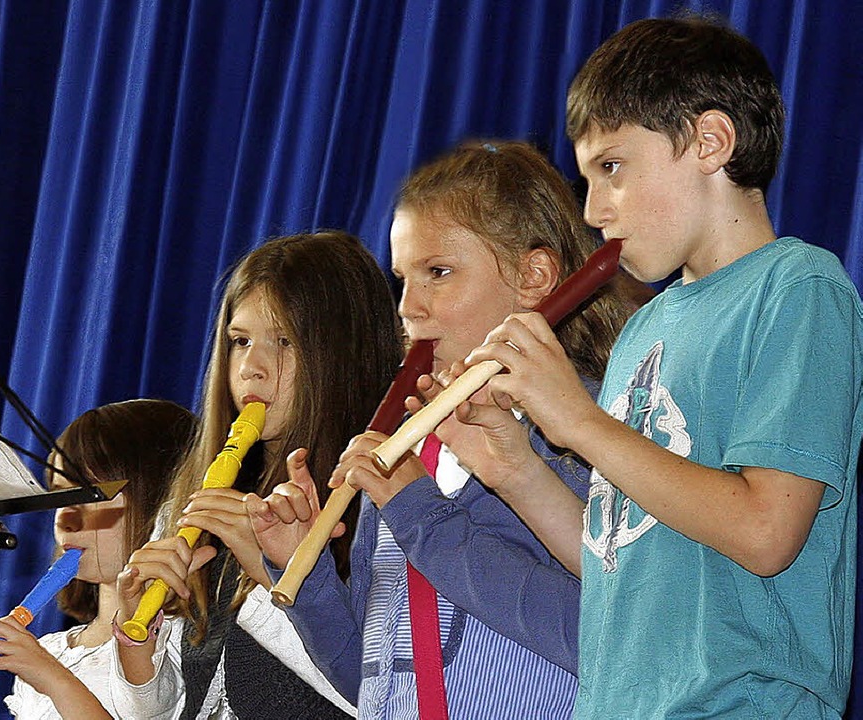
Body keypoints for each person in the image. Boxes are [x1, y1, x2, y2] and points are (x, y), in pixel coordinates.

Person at [462, 17, 863, 719]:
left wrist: (580, 423)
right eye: (587, 179)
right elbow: (624, 566)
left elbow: (766, 533)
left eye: (611, 167)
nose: (592, 209)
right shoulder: (646, 325)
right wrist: (516, 469)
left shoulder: (799, 288)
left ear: (711, 141)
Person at [251, 141, 632, 718]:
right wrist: (306, 575)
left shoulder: (588, 429)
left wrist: (419, 513)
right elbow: (371, 682)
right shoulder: (411, 449)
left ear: (534, 277)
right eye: (403, 278)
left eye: (438, 273)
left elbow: (604, 639)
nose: (409, 308)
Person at [111, 232, 403, 719]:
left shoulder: (386, 499)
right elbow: (163, 710)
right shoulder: (199, 499)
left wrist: (274, 577)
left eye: (284, 341)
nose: (251, 368)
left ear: (345, 354)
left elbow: (381, 697)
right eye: (240, 341)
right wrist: (137, 641)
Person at [0, 398, 197, 719]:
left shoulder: (184, 643)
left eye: (91, 494)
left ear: (162, 503)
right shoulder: (51, 650)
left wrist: (51, 677)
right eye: (62, 494)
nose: (66, 517)